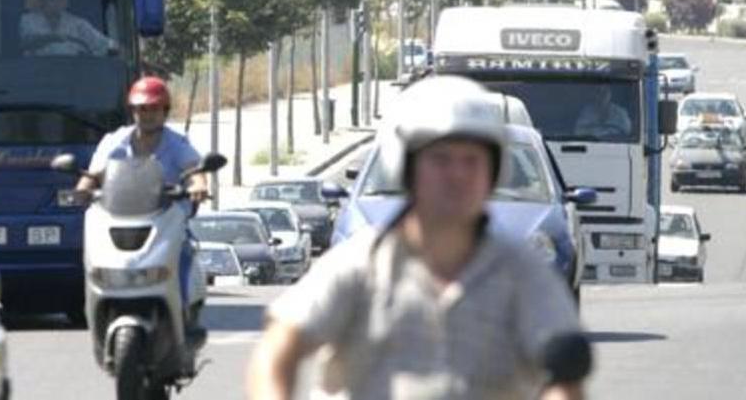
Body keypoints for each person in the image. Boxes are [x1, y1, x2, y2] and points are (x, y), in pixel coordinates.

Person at [246, 75, 591, 400]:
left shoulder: (522, 273)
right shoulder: (359, 264)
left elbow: (565, 378)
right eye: (441, 160)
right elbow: (277, 351)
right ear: (407, 168)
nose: (457, 176)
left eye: (472, 161)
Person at [77, 76, 210, 332]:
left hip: (165, 222)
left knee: (182, 256)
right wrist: (82, 190)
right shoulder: (115, 141)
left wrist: (198, 186)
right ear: (132, 111)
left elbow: (193, 169)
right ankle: (98, 315)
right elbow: (94, 175)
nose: (147, 115)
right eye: (141, 109)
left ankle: (184, 317)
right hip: (119, 220)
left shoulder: (176, 143)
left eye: (153, 109)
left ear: (165, 111)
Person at [19, 0, 116, 56]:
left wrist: (121, 50)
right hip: (35, 74)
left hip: (72, 75)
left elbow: (105, 44)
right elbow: (25, 43)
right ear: (42, 1)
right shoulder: (28, 20)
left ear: (67, 2)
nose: (57, 3)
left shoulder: (78, 24)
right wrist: (51, 38)